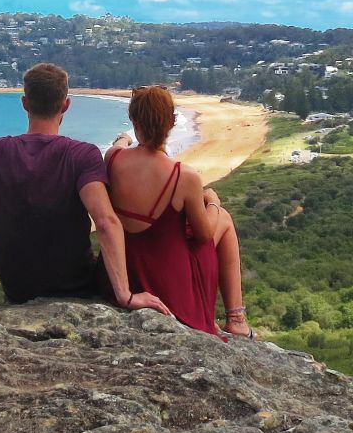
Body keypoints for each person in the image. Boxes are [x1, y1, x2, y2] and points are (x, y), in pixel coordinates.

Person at [0, 63, 170, 316]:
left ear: (24, 103)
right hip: (74, 285)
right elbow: (106, 222)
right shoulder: (82, 155)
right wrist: (125, 295)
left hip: (16, 288)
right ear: (65, 104)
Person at [105, 85, 255, 339]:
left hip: (124, 273)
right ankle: (236, 319)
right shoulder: (182, 176)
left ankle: (236, 319)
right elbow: (204, 235)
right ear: (172, 122)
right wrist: (213, 203)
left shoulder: (112, 158)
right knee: (224, 220)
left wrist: (123, 139)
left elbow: (119, 145)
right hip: (167, 281)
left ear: (133, 119)